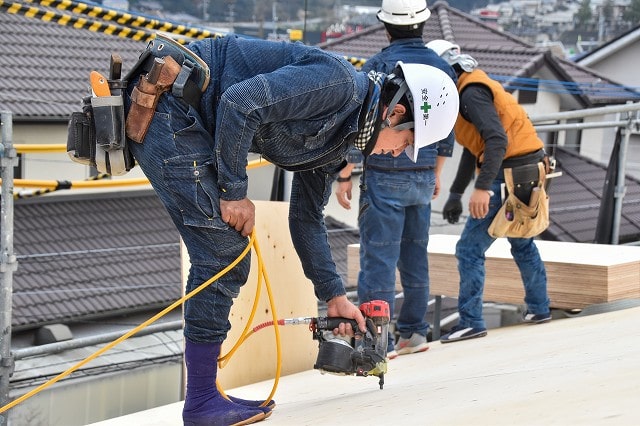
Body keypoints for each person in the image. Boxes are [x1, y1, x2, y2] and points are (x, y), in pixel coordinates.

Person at [123, 33, 458, 426]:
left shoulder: (342, 138)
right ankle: (200, 402)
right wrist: (234, 192)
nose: (400, 153)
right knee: (222, 255)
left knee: (224, 254)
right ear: (397, 112)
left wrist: (333, 296)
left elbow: (305, 218)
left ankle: (204, 395)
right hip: (170, 105)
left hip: (190, 117)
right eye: (408, 142)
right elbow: (240, 102)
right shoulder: (340, 86)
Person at [334, 0, 457, 359]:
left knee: (379, 259)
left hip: (386, 174)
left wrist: (344, 174)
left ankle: (376, 341)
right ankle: (415, 331)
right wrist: (436, 175)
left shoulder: (380, 66)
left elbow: (362, 123)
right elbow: (446, 130)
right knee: (415, 255)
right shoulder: (440, 67)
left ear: (386, 27)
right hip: (423, 174)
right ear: (422, 25)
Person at [425, 39, 552, 344]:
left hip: (507, 175)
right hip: (528, 170)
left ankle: (471, 321)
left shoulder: (470, 93)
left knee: (469, 249)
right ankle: (540, 308)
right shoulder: (469, 89)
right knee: (522, 243)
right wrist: (456, 193)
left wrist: (481, 190)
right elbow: (475, 147)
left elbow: (496, 140)